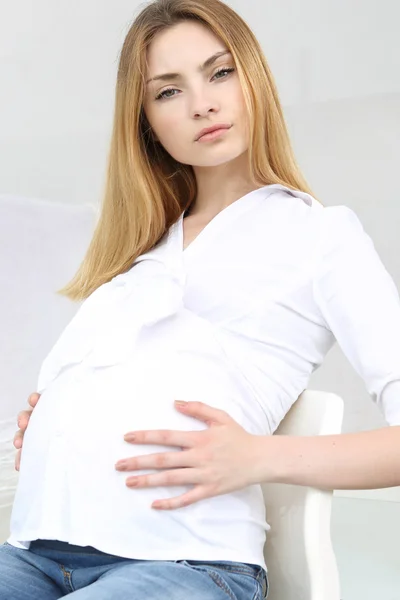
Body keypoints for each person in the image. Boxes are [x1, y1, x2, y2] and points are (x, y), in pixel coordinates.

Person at [2, 0, 400, 597]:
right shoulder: (140, 256)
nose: (201, 104)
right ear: (146, 123)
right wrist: (61, 415)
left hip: (184, 562)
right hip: (37, 553)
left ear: (253, 78)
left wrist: (258, 458)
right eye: (167, 92)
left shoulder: (320, 234)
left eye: (219, 73)